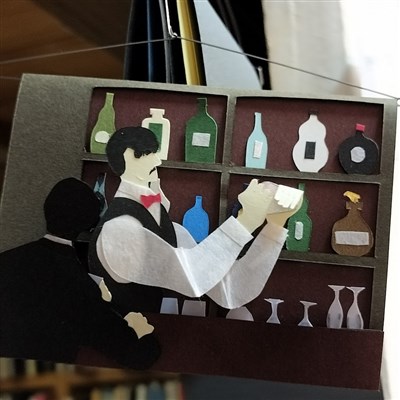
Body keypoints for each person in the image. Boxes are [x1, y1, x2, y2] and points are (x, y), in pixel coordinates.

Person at [89, 127, 302, 312]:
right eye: (148, 154)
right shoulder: (119, 229)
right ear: (128, 157)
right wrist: (246, 220)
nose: (158, 161)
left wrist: (275, 225)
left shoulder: (169, 228)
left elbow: (229, 290)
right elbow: (194, 281)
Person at [0, 178, 160, 369]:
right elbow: (138, 356)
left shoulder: (5, 260)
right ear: (91, 225)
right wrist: (142, 330)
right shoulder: (80, 287)